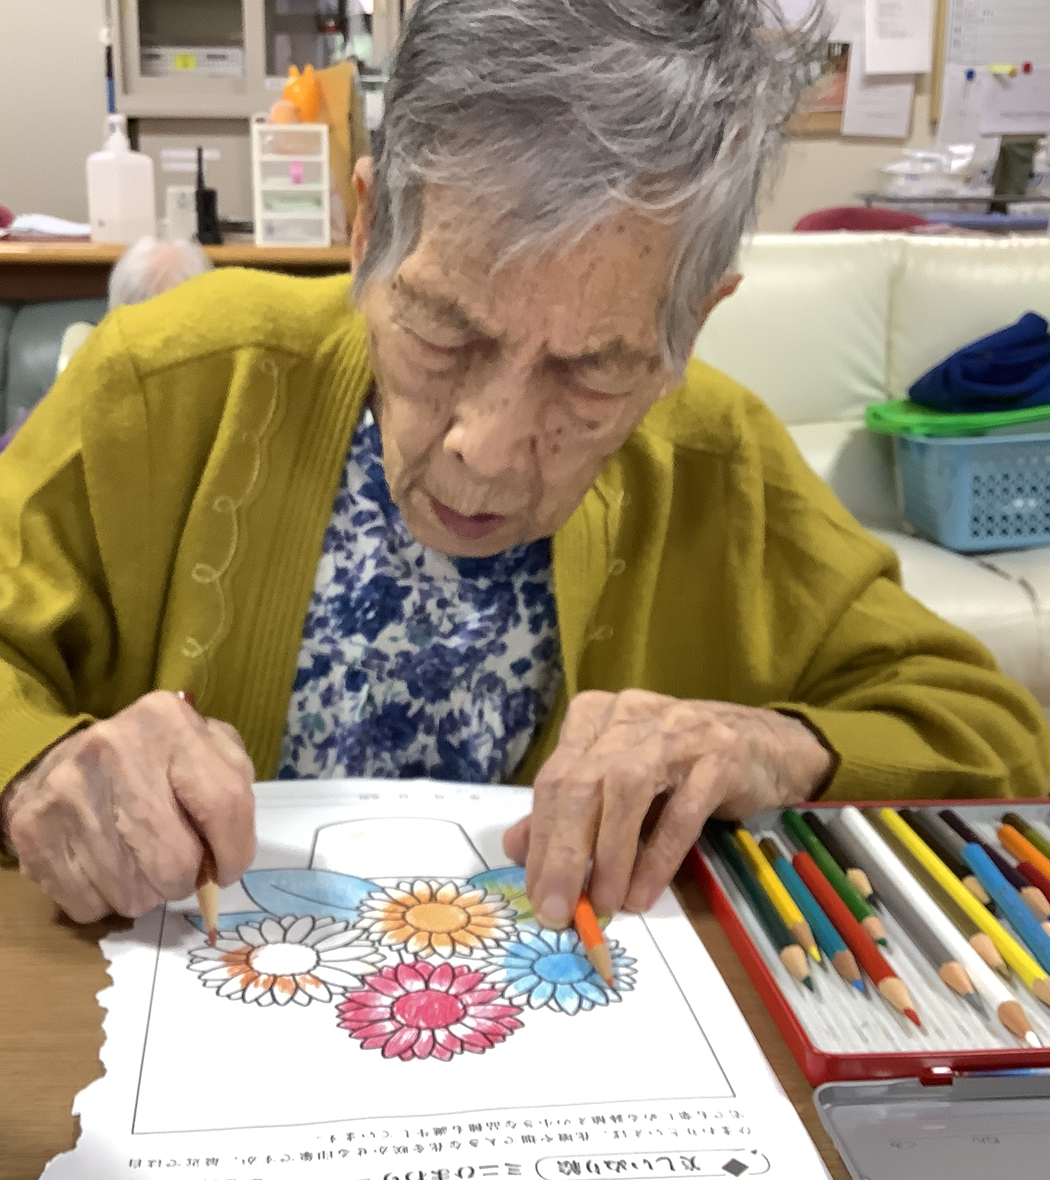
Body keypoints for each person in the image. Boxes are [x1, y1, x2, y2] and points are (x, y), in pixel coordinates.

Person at [1, 0, 1046, 932]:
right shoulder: (170, 380)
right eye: (442, 332)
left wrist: (768, 745)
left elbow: (993, 736)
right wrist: (35, 768)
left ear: (690, 330)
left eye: (593, 374)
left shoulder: (719, 461)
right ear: (367, 231)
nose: (485, 450)